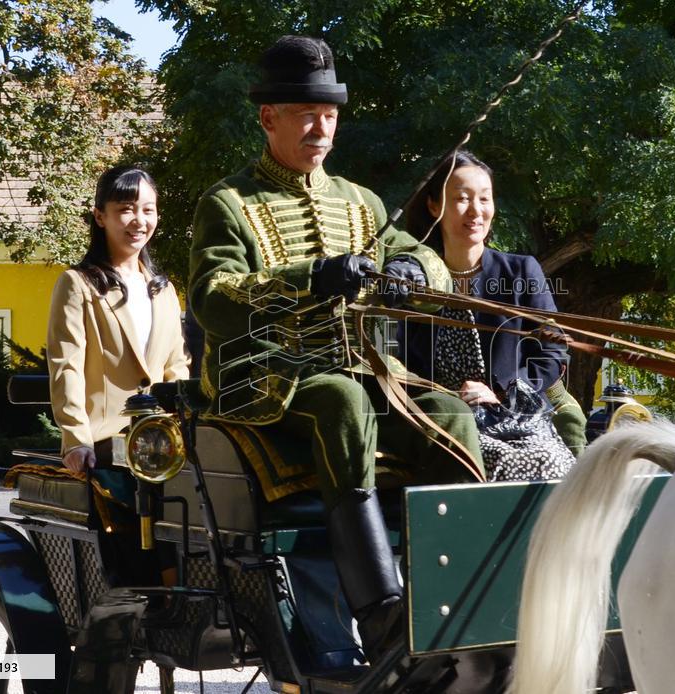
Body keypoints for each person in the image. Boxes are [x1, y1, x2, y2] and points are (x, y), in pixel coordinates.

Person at [188, 36, 482, 663]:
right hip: (263, 380)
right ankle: (379, 616)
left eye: (329, 115)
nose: (321, 127)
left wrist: (411, 269)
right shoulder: (228, 202)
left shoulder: (361, 201)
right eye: (306, 113)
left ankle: (462, 597)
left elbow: (424, 254)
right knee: (343, 400)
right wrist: (307, 279)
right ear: (269, 118)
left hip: (367, 371)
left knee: (451, 412)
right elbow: (211, 299)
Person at [400, 151, 588, 478]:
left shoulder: (520, 271)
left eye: (484, 199)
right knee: (499, 464)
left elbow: (553, 351)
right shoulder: (409, 275)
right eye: (461, 199)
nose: (476, 211)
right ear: (433, 206)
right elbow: (393, 361)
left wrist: (504, 393)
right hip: (443, 423)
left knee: (555, 467)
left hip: (517, 414)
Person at [47, 165, 190, 474]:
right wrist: (75, 440)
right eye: (126, 209)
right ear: (100, 216)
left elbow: (176, 369)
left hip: (162, 447)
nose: (139, 221)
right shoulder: (78, 284)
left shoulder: (163, 291)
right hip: (102, 448)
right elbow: (66, 366)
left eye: (148, 210)